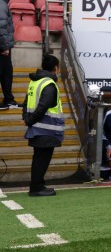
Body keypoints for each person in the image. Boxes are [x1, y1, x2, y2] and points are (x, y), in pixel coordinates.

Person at [23, 53, 63, 196]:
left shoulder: (34, 82)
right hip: (46, 129)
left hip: (37, 129)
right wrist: (31, 119)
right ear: (55, 68)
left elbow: (26, 102)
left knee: (38, 158)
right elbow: (43, 106)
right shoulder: (49, 84)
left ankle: (37, 185)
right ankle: (36, 188)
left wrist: (27, 118)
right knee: (42, 159)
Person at [0, 0, 17, 110]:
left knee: (7, 74)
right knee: (5, 74)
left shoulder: (3, 3)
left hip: (3, 45)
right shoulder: (2, 4)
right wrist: (4, 47)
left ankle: (9, 99)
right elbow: (1, 27)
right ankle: (8, 100)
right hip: (2, 47)